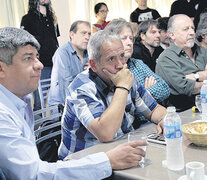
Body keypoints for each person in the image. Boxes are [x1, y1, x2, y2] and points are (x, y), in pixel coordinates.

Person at [0, 27, 147, 180]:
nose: (40, 65)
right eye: (28, 58)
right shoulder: (2, 114)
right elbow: (33, 174)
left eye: (37, 57)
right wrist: (107, 161)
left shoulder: (20, 101)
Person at [58, 30, 166, 159]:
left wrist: (165, 119)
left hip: (120, 151)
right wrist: (122, 87)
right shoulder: (81, 87)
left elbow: (154, 110)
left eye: (122, 56)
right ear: (94, 65)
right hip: (84, 162)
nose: (120, 65)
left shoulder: (124, 77)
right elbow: (106, 133)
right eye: (111, 59)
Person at [104, 18, 170, 104]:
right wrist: (145, 94)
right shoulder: (107, 70)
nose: (129, 43)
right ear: (110, 41)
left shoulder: (137, 63)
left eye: (131, 38)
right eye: (124, 38)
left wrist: (144, 94)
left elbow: (164, 88)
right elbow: (121, 106)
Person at [156, 14, 207, 111]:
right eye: (186, 29)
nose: (192, 32)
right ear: (172, 35)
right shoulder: (166, 59)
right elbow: (187, 88)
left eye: (192, 28)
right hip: (183, 113)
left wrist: (196, 76)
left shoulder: (202, 51)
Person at [21, 0, 60, 110]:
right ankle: (36, 126)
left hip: (55, 65)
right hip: (39, 66)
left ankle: (56, 125)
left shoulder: (52, 18)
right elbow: (24, 45)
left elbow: (55, 40)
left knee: (57, 99)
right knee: (39, 102)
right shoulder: (27, 19)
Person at [48, 21, 90, 107]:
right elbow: (66, 86)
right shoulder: (62, 53)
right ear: (72, 34)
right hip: (62, 106)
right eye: (83, 33)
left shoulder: (88, 53)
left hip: (82, 101)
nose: (87, 37)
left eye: (89, 34)